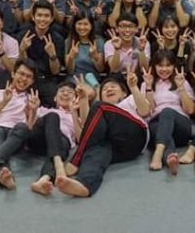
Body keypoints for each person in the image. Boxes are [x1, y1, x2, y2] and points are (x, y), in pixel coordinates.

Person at [55, 69, 150, 198]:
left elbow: (145, 111)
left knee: (99, 107)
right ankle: (85, 184)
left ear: (123, 93)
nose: (108, 89)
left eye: (113, 87)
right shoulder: (100, 112)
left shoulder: (130, 99)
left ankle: (76, 159)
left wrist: (133, 87)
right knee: (96, 150)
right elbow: (86, 132)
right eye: (104, 89)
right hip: (123, 149)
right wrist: (83, 99)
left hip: (136, 135)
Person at [0, 59, 38, 189]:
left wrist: (33, 111)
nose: (23, 79)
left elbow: (29, 129)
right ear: (13, 74)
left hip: (16, 134)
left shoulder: (32, 100)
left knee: (22, 127)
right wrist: (4, 102)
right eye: (21, 74)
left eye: (28, 77)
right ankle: (4, 173)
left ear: (32, 81)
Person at [145, 51, 194, 175]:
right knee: (159, 127)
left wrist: (181, 87)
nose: (164, 69)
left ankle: (158, 152)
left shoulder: (182, 82)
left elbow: (190, 110)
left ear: (174, 67)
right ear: (154, 67)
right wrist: (148, 87)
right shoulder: (147, 83)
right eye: (160, 66)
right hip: (157, 124)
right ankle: (170, 157)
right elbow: (148, 111)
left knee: (167, 111)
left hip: (180, 126)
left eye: (168, 65)